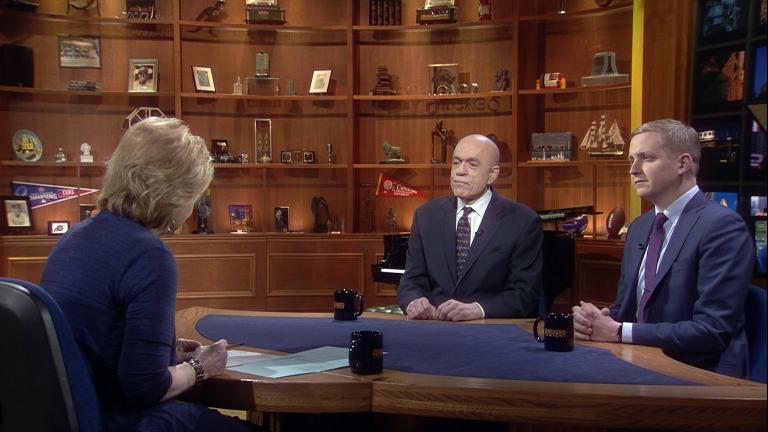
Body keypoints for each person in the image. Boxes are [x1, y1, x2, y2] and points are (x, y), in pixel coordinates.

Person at [40, 118, 257, 431]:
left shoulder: (75, 237)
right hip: (116, 419)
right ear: (177, 193)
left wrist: (164, 350)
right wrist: (202, 366)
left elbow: (96, 340)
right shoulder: (149, 255)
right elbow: (144, 387)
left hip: (67, 414)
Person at [572, 119, 754, 378]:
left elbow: (712, 330)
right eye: (631, 160)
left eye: (646, 158)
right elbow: (626, 309)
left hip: (698, 371)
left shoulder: (722, 227)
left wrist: (616, 330)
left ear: (683, 163)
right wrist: (595, 320)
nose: (633, 170)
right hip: (635, 361)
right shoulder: (640, 226)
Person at [397, 134, 542, 321]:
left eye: (472, 164)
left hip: (490, 333)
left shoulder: (522, 222)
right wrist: (414, 301)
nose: (460, 171)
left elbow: (525, 294)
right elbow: (411, 280)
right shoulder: (425, 216)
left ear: (492, 174)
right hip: (434, 329)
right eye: (456, 163)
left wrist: (478, 309)